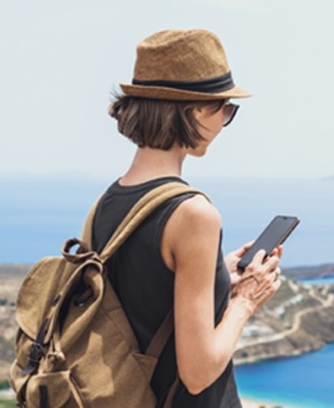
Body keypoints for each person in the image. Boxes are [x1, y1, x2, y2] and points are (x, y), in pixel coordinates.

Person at [90, 29, 282, 407]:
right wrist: (245, 302)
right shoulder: (193, 213)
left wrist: (219, 278)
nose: (226, 118)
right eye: (225, 107)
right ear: (196, 109)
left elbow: (145, 301)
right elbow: (197, 373)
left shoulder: (109, 202)